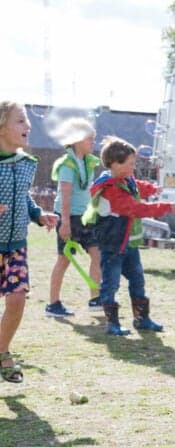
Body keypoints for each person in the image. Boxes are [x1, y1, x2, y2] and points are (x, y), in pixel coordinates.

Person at [83, 136, 175, 336]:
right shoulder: (111, 188)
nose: (133, 167)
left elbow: (136, 185)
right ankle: (112, 323)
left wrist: (154, 188)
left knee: (137, 279)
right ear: (115, 164)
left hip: (129, 243)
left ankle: (142, 319)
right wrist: (166, 207)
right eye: (130, 163)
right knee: (111, 283)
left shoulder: (125, 179)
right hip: (113, 244)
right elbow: (135, 208)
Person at [0, 101, 59, 382]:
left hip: (16, 246)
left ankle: (2, 352)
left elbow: (23, 196)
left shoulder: (26, 164)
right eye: (20, 121)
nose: (28, 126)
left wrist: (38, 214)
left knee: (17, 299)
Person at [45, 117, 102, 317]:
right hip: (69, 216)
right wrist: (65, 223)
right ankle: (53, 304)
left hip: (85, 217)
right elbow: (66, 195)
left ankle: (96, 299)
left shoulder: (88, 162)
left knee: (97, 254)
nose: (93, 142)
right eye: (89, 139)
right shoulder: (67, 164)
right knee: (64, 260)